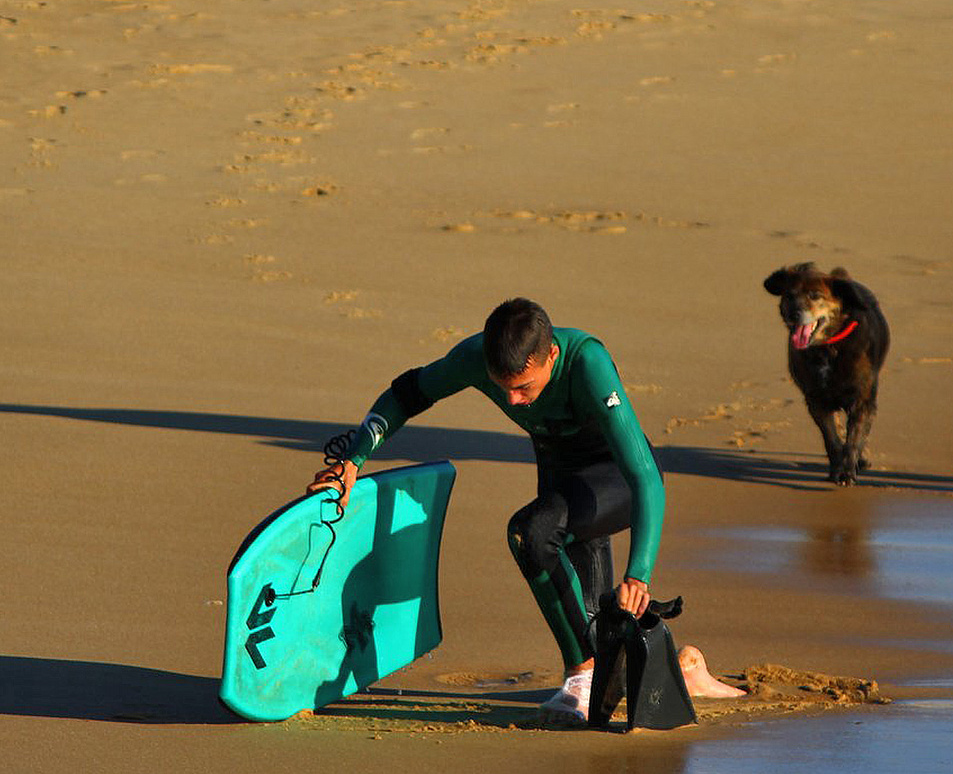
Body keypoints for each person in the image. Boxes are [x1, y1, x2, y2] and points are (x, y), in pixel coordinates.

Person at [307, 298, 743, 723]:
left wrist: (639, 573)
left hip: (615, 481)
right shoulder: (474, 358)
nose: (513, 401)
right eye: (504, 387)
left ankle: (581, 677)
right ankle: (683, 671)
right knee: (590, 626)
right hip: (561, 481)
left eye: (524, 387)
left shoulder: (587, 363)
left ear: (551, 354)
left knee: (531, 533)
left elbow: (645, 477)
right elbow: (408, 392)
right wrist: (353, 460)